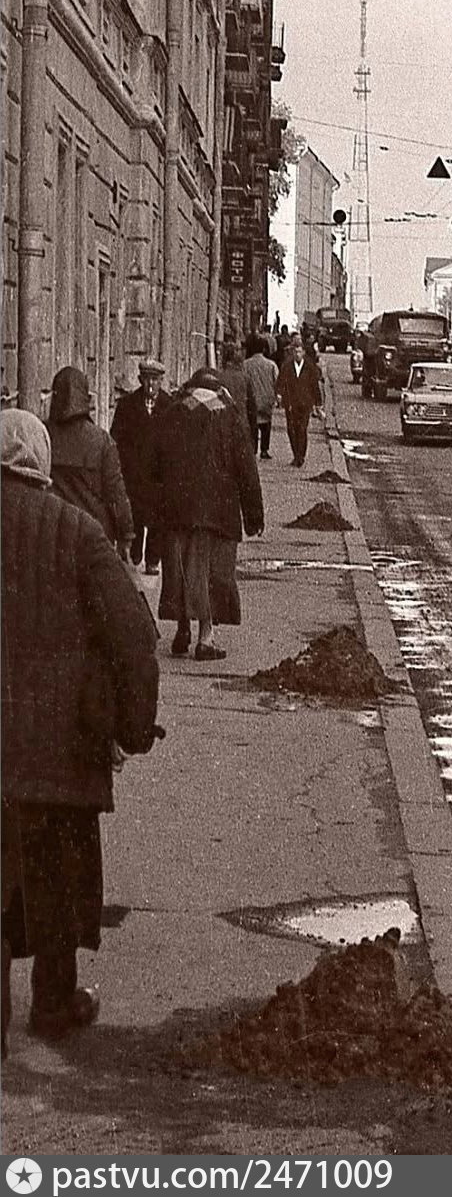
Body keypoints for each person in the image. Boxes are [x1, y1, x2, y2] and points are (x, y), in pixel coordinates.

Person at [1, 409, 160, 1056]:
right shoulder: (77, 531)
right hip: (59, 751)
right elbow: (135, 636)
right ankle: (53, 1004)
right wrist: (135, 727)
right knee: (55, 879)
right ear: (40, 464)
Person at [151, 367, 264, 661]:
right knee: (210, 573)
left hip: (177, 509)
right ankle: (206, 638)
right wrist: (254, 516)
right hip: (218, 511)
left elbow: (155, 464)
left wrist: (157, 508)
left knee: (180, 570)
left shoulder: (172, 413)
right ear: (218, 389)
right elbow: (246, 469)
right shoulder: (229, 416)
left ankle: (182, 629)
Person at [47, 367, 134, 556]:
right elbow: (116, 494)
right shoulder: (102, 440)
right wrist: (126, 534)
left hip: (54, 532)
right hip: (93, 534)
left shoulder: (42, 434)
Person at [110, 359, 170, 573]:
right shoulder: (127, 405)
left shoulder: (170, 405)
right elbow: (116, 438)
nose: (151, 384)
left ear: (161, 381)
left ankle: (153, 560)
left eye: (155, 379)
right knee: (135, 514)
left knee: (158, 519)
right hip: (134, 473)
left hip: (159, 475)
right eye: (147, 379)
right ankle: (135, 555)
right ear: (140, 380)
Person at [275, 331, 324, 469]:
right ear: (292, 353)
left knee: (302, 429)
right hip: (291, 402)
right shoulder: (287, 365)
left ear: (303, 353)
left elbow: (314, 386)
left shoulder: (309, 366)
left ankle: (300, 456)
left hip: (305, 403)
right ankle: (295, 453)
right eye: (295, 352)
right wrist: (279, 394)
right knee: (291, 429)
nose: (297, 354)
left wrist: (318, 404)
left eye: (300, 352)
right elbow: (281, 381)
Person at [244, 336, 280, 460]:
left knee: (253, 424)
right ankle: (264, 450)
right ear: (264, 349)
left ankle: (253, 449)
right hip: (267, 399)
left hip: (252, 400)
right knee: (266, 425)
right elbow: (277, 381)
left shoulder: (246, 364)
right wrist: (276, 397)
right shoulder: (271, 365)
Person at [217, 341, 258, 449]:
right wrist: (253, 435)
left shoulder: (219, 378)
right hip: (242, 425)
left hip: (224, 427)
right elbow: (252, 407)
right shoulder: (245, 378)